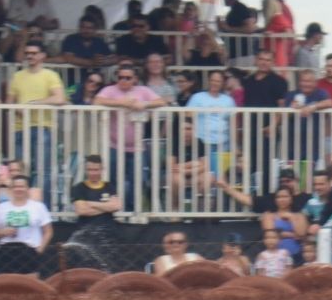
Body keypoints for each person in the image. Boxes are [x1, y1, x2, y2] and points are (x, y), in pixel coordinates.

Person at [95, 64, 169, 212]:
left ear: (135, 79)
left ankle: (131, 210)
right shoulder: (110, 90)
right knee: (113, 179)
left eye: (128, 78)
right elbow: (97, 101)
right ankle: (115, 210)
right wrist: (122, 103)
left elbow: (162, 101)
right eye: (120, 77)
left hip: (137, 147)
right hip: (114, 145)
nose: (123, 80)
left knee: (138, 179)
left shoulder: (143, 91)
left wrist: (144, 104)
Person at [7, 41, 65, 184]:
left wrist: (35, 103)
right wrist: (17, 109)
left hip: (43, 127)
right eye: (27, 53)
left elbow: (60, 98)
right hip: (19, 128)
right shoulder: (17, 76)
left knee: (43, 171)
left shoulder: (50, 75)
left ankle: (39, 205)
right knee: (18, 171)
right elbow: (9, 101)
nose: (29, 56)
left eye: (33, 53)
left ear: (42, 56)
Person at [186, 69, 237, 177]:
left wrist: (234, 145)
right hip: (202, 141)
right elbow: (187, 115)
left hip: (223, 142)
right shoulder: (197, 97)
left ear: (222, 83)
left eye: (218, 81)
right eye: (212, 80)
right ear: (209, 81)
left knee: (220, 174)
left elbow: (233, 124)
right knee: (205, 172)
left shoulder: (228, 100)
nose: (215, 83)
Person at [0, 174, 52, 266]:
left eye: (22, 186)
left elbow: (48, 231)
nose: (18, 189)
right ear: (10, 189)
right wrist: (3, 232)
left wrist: (39, 250)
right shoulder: (1, 208)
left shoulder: (38, 207)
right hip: (6, 251)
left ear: (28, 188)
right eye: (15, 186)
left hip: (31, 251)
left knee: (30, 280)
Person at [68, 155, 122, 242]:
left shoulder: (109, 186)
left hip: (108, 234)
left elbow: (116, 206)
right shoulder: (79, 188)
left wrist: (91, 204)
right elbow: (81, 210)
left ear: (102, 169)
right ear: (86, 170)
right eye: (89, 170)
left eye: (96, 170)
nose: (92, 173)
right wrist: (106, 207)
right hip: (85, 234)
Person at [261, 0, 295, 67]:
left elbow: (289, 32)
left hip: (277, 55)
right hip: (273, 54)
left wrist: (273, 35)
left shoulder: (279, 15)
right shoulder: (281, 11)